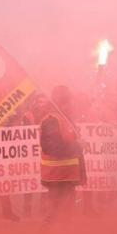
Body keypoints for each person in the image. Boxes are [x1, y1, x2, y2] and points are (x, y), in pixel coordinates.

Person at [40, 86, 86, 222]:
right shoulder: (52, 120)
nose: (72, 105)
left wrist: (77, 143)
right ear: (62, 103)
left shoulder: (64, 118)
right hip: (57, 174)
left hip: (66, 173)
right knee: (56, 211)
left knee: (64, 210)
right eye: (69, 101)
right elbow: (51, 147)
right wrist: (76, 145)